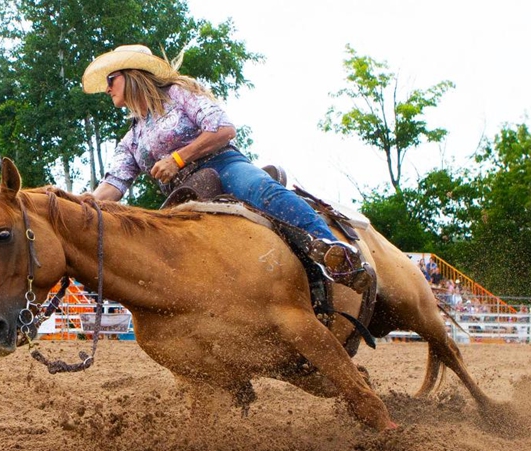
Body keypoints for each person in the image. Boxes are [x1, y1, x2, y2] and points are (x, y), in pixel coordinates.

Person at [82, 44, 370, 292]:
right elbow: (114, 184)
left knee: (262, 190)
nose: (107, 88)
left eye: (111, 79)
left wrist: (177, 159)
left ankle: (338, 255)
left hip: (222, 165)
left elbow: (223, 129)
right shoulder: (131, 139)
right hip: (182, 194)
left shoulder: (178, 94)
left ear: (133, 75)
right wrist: (80, 206)